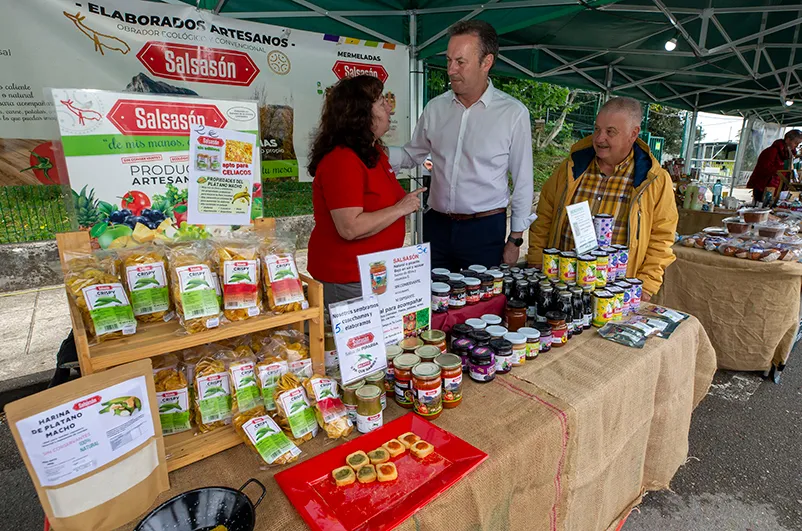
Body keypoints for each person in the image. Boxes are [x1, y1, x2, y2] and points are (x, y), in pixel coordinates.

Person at [389, 20, 534, 270]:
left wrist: (515, 239)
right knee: (433, 301)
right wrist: (369, 153)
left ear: (486, 62)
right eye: (448, 61)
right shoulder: (435, 108)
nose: (451, 70)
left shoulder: (512, 113)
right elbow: (411, 155)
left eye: (460, 62)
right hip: (436, 226)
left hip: (484, 230)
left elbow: (523, 181)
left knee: (479, 305)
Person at [527, 97, 678, 300]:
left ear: (633, 134)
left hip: (615, 293)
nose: (599, 138)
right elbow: (544, 216)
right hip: (563, 285)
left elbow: (662, 238)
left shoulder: (654, 180)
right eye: (597, 129)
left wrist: (646, 285)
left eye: (610, 132)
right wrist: (537, 257)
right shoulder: (571, 168)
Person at [307, 76, 426, 308]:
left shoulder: (373, 152)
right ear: (361, 113)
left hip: (372, 272)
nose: (389, 107)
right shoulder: (342, 159)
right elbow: (350, 227)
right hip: (348, 276)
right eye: (381, 101)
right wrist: (399, 209)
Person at [746, 129, 802, 205]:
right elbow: (764, 169)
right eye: (795, 143)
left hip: (778, 187)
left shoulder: (788, 155)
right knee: (761, 208)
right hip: (764, 186)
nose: (796, 146)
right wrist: (780, 171)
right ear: (788, 140)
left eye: (798, 144)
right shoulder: (771, 151)